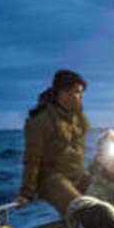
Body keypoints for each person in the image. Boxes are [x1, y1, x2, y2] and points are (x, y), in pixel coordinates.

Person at [16, 69, 91, 216]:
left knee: (108, 192)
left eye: (81, 93)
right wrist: (26, 193)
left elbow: (82, 137)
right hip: (51, 179)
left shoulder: (77, 117)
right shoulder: (40, 121)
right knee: (81, 210)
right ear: (63, 93)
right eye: (77, 92)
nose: (80, 97)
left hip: (76, 175)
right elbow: (32, 159)